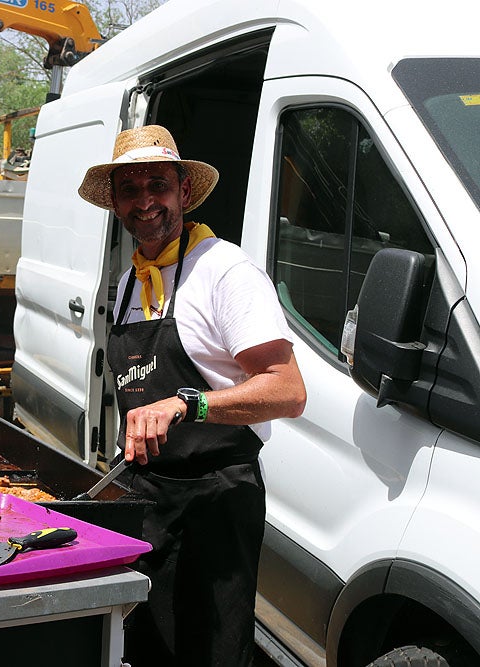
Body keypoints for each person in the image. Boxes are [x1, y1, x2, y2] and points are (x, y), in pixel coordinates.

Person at [77, 126, 307, 666]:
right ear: (115, 203)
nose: (145, 201)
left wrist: (189, 403)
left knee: (211, 650)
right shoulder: (130, 280)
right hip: (149, 495)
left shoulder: (225, 271)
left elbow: (288, 389)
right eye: (129, 190)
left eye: (157, 183)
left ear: (183, 191)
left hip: (216, 499)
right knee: (146, 644)